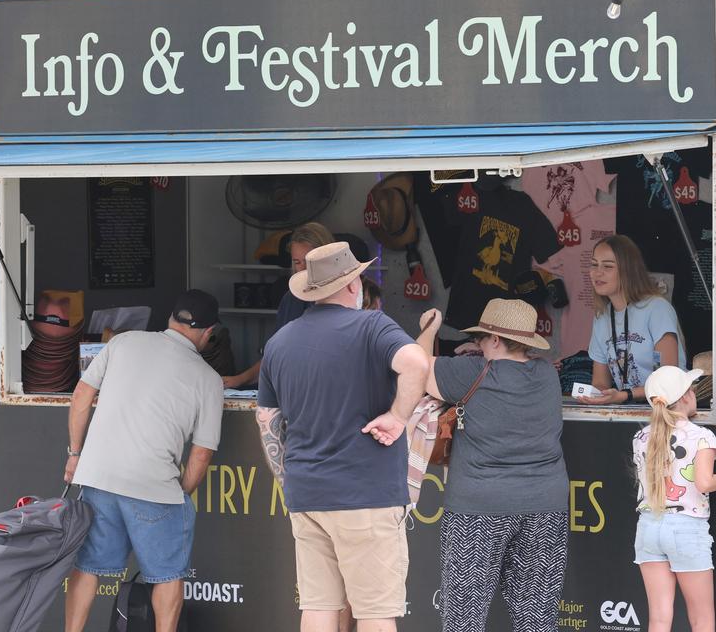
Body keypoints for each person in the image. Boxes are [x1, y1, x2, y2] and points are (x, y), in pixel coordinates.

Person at [256, 241, 429, 632]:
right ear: (355, 287)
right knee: (374, 612)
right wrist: (398, 417)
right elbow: (417, 363)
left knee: (318, 607)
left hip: (307, 494)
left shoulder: (280, 342)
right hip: (365, 494)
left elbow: (266, 420)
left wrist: (288, 478)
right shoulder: (372, 326)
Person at [61, 289, 225, 632]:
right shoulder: (208, 379)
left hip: (98, 477)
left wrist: (76, 455)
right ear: (209, 333)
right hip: (154, 487)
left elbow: (81, 396)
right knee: (167, 577)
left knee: (87, 568)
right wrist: (182, 493)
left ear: (170, 318)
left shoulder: (124, 343)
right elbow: (202, 452)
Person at [418, 299, 569, 632]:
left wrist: (428, 330)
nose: (479, 344)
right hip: (545, 505)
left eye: (483, 338)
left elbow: (417, 367)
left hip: (478, 507)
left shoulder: (471, 372)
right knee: (538, 621)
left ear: (496, 340)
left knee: (463, 620)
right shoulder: (546, 374)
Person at [632, 366, 716, 632]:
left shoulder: (641, 437)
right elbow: (704, 483)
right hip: (687, 529)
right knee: (701, 619)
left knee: (658, 619)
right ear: (687, 396)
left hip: (648, 528)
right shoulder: (701, 436)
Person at [223, 222, 336, 389]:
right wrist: (239, 380)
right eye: (297, 262)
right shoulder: (291, 299)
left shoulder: (344, 294)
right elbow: (276, 354)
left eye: (308, 261)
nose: (302, 269)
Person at [578, 235, 686, 405]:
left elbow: (667, 380)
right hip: (630, 413)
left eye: (607, 266)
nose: (597, 273)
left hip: (668, 411)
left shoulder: (657, 308)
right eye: (593, 265)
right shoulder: (602, 317)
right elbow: (600, 383)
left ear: (627, 270)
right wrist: (593, 396)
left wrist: (624, 395)